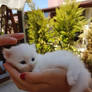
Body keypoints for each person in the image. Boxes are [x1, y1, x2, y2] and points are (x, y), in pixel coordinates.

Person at [1, 33, 91, 92]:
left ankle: (73, 65)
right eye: (22, 62)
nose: (31, 65)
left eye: (33, 59)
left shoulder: (43, 60)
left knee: (50, 60)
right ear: (7, 56)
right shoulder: (11, 56)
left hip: (69, 65)